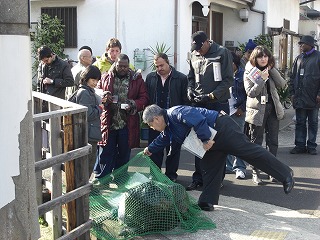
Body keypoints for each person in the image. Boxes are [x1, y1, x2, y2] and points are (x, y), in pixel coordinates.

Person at [142, 104, 294, 211]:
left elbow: (198, 119)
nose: (152, 128)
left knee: (251, 153)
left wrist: (205, 139)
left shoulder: (175, 112)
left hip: (221, 129)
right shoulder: (168, 127)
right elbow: (163, 138)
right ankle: (207, 201)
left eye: (150, 124)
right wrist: (150, 149)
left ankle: (285, 174)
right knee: (209, 169)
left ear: (156, 119)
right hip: (209, 142)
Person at [186, 31, 233, 191]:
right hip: (199, 103)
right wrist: (190, 89)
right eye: (196, 49)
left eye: (200, 48)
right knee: (198, 141)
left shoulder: (222, 52)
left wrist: (212, 95)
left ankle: (216, 179)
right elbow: (191, 76)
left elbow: (228, 80)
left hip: (217, 103)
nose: (198, 51)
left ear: (207, 42)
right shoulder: (193, 54)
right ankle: (198, 177)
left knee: (217, 143)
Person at [94, 54, 149, 179]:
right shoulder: (105, 77)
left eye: (125, 66)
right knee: (105, 152)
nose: (123, 68)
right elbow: (96, 93)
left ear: (128, 66)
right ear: (115, 64)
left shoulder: (137, 79)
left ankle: (120, 180)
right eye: (120, 66)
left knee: (124, 154)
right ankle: (102, 180)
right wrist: (103, 96)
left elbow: (144, 98)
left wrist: (134, 104)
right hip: (109, 121)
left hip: (127, 123)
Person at [244, 45, 286, 184]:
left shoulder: (271, 69)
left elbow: (282, 84)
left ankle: (271, 170)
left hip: (272, 109)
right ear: (254, 58)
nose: (263, 59)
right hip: (257, 111)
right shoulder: (249, 71)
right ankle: (255, 172)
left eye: (266, 56)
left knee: (272, 142)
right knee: (256, 142)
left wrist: (271, 70)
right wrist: (261, 79)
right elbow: (251, 92)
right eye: (260, 57)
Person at [145, 53, 189, 182]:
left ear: (168, 62)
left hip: (173, 121)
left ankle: (171, 176)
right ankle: (155, 175)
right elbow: (147, 98)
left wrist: (183, 121)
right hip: (155, 121)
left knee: (173, 150)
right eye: (157, 66)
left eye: (162, 65)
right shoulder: (150, 77)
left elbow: (185, 100)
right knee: (154, 149)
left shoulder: (180, 78)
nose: (159, 68)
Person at [289, 35, 320, 156]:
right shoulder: (298, 58)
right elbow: (292, 77)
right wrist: (292, 93)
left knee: (313, 122)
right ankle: (300, 145)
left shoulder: (318, 57)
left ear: (310, 45)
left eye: (303, 44)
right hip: (300, 97)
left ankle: (311, 145)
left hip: (313, 97)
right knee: (300, 122)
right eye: (300, 44)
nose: (301, 46)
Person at [71, 65, 103, 177]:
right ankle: (83, 189)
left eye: (97, 80)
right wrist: (100, 108)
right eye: (93, 80)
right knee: (88, 162)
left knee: (87, 162)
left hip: (88, 131)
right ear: (86, 78)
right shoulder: (84, 92)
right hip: (88, 133)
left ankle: (83, 187)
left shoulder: (86, 91)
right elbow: (87, 114)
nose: (95, 82)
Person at [225, 52, 247, 179]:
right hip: (224, 111)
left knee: (239, 140)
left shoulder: (242, 74)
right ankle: (227, 166)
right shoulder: (222, 74)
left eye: (229, 63)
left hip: (237, 111)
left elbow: (249, 93)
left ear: (235, 63)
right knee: (225, 139)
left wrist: (242, 108)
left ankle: (240, 167)